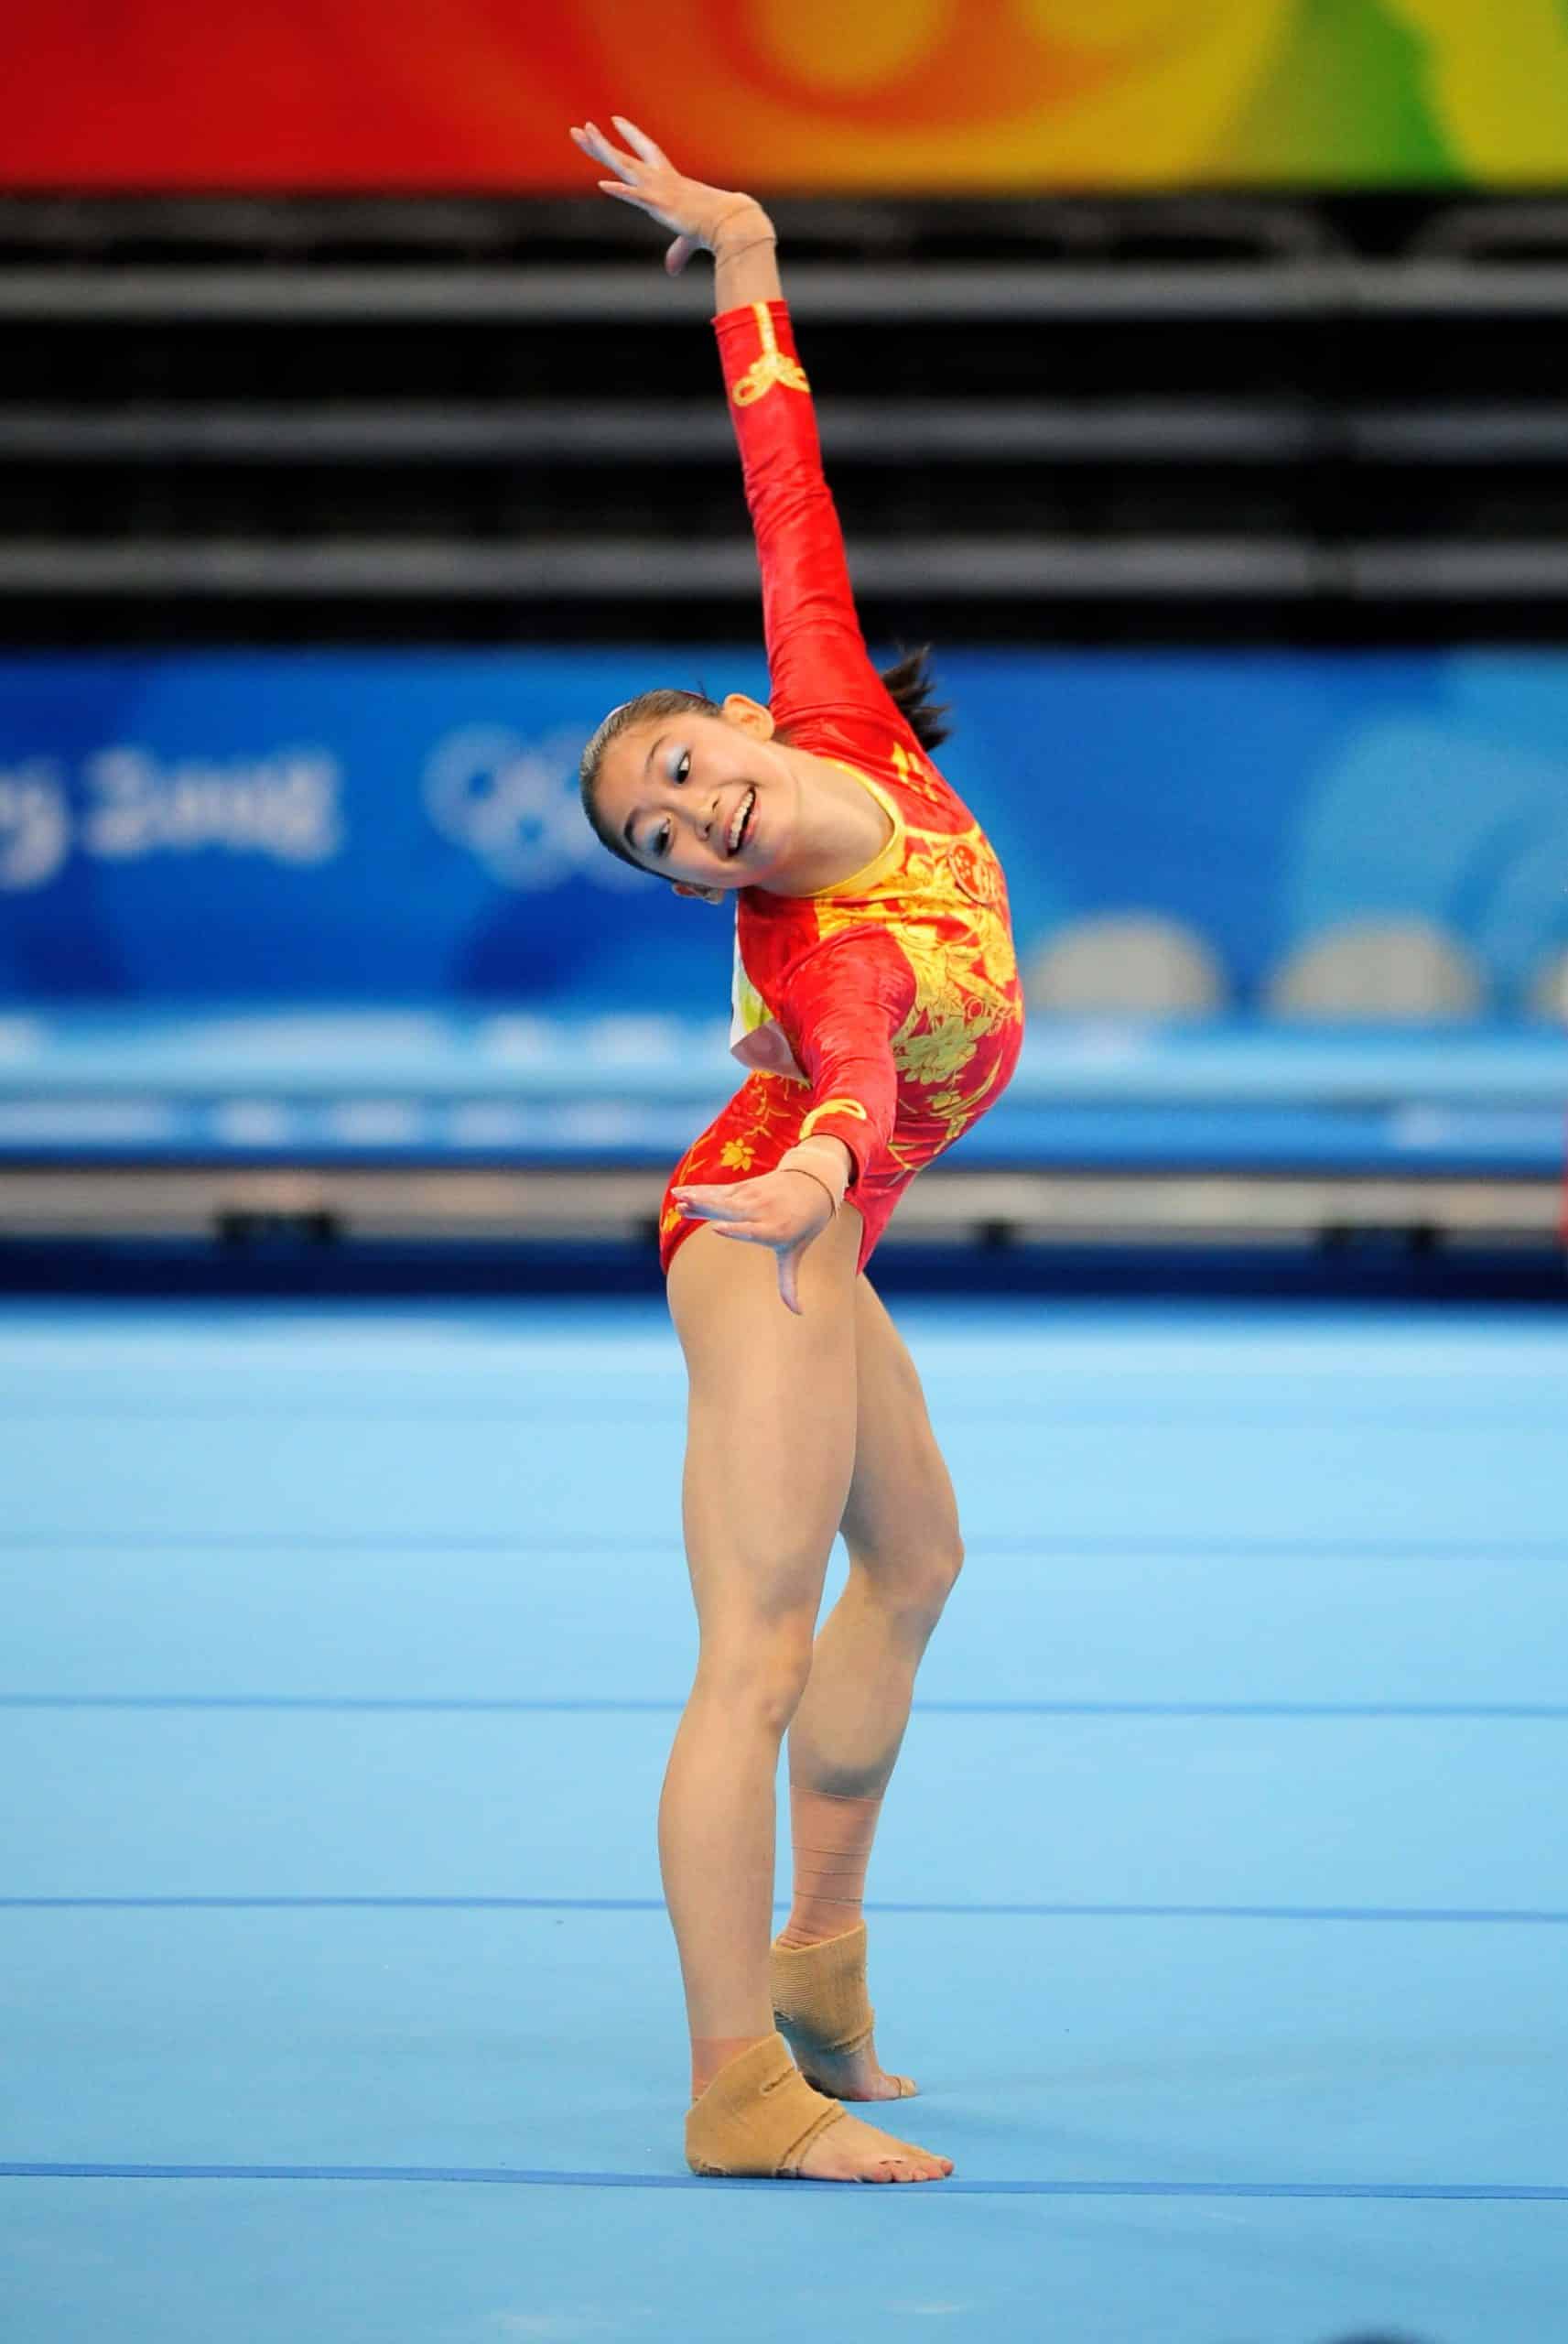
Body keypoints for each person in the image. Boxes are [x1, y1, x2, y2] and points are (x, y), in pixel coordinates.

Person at [570, 114, 1025, 2183]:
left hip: (812, 1225)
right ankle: (732, 2079)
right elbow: (842, 1076)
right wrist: (823, 1181)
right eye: (654, 840)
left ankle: (821, 1957)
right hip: (759, 1223)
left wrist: (746, 245)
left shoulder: (840, 713)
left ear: (743, 721)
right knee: (748, 1652)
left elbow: (787, 488)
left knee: (913, 1558)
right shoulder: (814, 952)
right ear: (690, 890)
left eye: (679, 770)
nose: (686, 818)